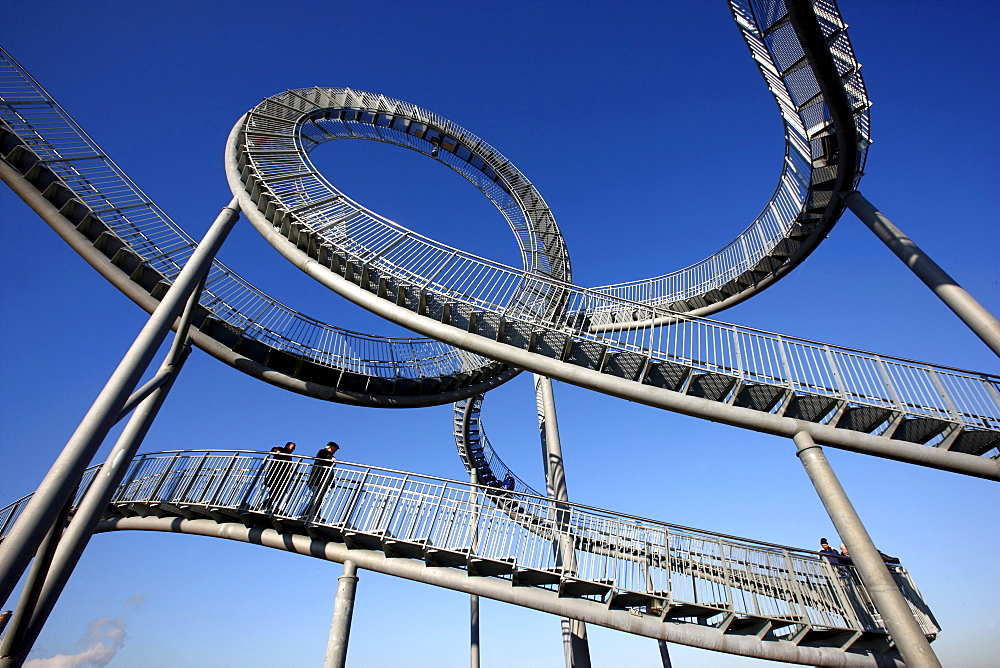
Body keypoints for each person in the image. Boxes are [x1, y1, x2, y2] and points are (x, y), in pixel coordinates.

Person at [303, 442, 339, 521]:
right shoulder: (322, 452)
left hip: (323, 480)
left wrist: (331, 482)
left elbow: (330, 471)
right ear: (330, 447)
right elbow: (324, 456)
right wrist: (330, 458)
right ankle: (309, 514)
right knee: (317, 497)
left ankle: (312, 514)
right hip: (317, 479)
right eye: (335, 448)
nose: (335, 450)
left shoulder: (328, 455)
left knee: (318, 497)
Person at [262, 442, 296, 512]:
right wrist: (277, 451)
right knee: (274, 493)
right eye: (292, 447)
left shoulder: (289, 456)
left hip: (281, 477)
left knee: (277, 494)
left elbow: (289, 466)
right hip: (275, 475)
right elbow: (274, 449)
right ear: (287, 446)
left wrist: (292, 471)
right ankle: (266, 505)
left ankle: (266, 505)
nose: (293, 449)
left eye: (294, 448)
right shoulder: (282, 450)